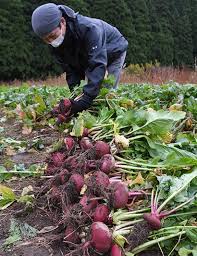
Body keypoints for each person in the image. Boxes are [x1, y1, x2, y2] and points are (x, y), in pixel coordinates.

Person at [31, 3, 128, 123]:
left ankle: (111, 121)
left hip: (114, 49)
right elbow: (70, 69)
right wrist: (74, 99)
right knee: (89, 87)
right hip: (89, 55)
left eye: (52, 36)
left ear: (62, 22)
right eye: (46, 40)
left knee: (107, 91)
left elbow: (96, 64)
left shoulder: (89, 29)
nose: (51, 41)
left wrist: (86, 100)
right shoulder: (56, 44)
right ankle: (89, 115)